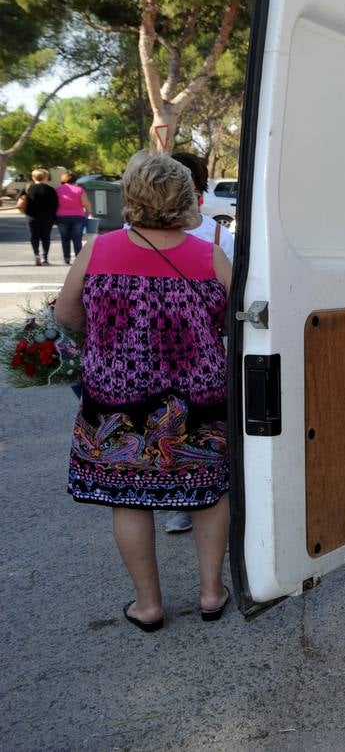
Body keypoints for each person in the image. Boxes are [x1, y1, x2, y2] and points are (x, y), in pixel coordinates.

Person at [54, 152, 233, 632]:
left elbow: (69, 316)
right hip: (197, 396)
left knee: (129, 498)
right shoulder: (208, 254)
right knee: (207, 493)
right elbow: (231, 320)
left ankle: (148, 605)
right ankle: (212, 593)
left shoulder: (99, 249)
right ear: (185, 199)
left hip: (115, 397)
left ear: (130, 196)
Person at [159, 153, 234, 535]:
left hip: (167, 354)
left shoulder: (219, 236)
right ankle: (187, 502)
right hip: (202, 354)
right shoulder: (220, 238)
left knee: (178, 428)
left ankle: (183, 504)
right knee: (189, 430)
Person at [19, 168, 58, 265]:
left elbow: (19, 199)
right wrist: (54, 217)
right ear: (46, 177)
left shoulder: (28, 188)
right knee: (46, 237)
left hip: (31, 216)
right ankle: (45, 257)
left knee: (34, 236)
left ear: (33, 177)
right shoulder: (51, 189)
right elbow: (55, 204)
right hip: (47, 217)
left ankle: (36, 254)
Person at [55, 171, 94, 264]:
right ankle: (78, 258)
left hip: (62, 216)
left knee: (65, 238)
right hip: (78, 216)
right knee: (77, 238)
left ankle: (66, 258)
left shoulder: (58, 190)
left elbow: (55, 203)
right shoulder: (79, 189)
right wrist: (90, 212)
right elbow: (85, 202)